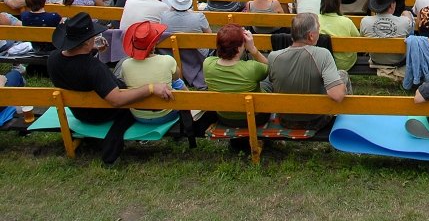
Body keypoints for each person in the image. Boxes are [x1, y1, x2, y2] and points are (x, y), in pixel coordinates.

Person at [48, 13, 175, 166]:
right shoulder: (93, 68)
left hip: (78, 111)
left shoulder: (53, 59)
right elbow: (116, 100)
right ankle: (113, 151)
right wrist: (150, 88)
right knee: (129, 103)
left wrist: (92, 49)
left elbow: (76, 63)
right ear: (87, 41)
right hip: (103, 112)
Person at [267, 13, 350, 130]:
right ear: (311, 35)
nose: (319, 33)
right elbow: (337, 95)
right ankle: (346, 123)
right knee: (343, 75)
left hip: (286, 119)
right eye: (318, 30)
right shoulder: (323, 54)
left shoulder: (273, 57)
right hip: (316, 119)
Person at [203, 24, 270, 137]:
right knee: (267, 83)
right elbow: (271, 69)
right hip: (256, 117)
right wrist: (253, 49)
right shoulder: (252, 68)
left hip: (224, 117)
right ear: (239, 49)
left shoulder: (207, 64)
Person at [120, 21, 187, 124]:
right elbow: (177, 76)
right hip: (166, 113)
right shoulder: (167, 60)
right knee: (177, 82)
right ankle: (190, 104)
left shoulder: (125, 64)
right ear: (154, 43)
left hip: (138, 115)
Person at [361, 0, 414, 68]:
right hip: (398, 61)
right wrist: (407, 13)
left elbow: (362, 38)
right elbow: (411, 27)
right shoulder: (404, 21)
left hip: (376, 60)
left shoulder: (365, 21)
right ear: (392, 5)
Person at [318, 0, 361, 72]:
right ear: (338, 4)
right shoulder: (346, 21)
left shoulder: (315, 20)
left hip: (320, 63)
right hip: (344, 63)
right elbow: (357, 40)